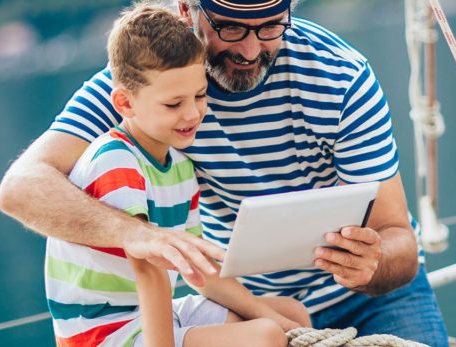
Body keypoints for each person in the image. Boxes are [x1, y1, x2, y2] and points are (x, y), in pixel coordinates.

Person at [0, 0, 449, 346]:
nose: (251, 50)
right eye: (231, 27)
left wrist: (372, 263)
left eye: (271, 26)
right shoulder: (147, 85)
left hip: (373, 298)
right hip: (238, 304)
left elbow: (399, 241)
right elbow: (20, 189)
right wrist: (137, 235)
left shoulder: (341, 77)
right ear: (188, 10)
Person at [40, 4, 310, 347]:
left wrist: (266, 312)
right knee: (265, 337)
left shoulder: (180, 166)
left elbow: (198, 270)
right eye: (172, 104)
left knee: (290, 315)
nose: (191, 114)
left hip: (150, 313)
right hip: (102, 336)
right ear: (125, 104)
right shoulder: (116, 163)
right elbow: (149, 270)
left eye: (200, 96)